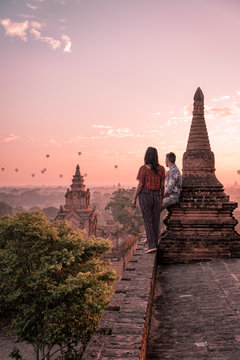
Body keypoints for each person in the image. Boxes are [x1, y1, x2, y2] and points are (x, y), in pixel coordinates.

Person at [132, 147, 165, 253]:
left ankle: (151, 246)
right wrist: (161, 197)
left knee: (147, 220)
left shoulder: (143, 168)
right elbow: (162, 185)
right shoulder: (161, 169)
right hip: (157, 195)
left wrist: (134, 198)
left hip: (146, 195)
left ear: (146, 156)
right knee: (156, 220)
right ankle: (154, 243)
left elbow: (141, 184)